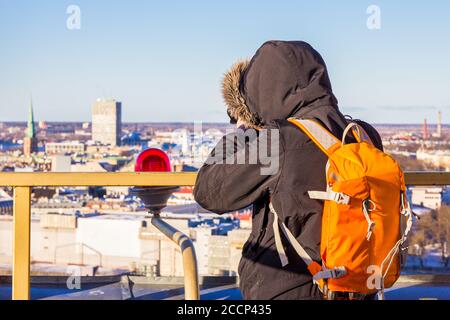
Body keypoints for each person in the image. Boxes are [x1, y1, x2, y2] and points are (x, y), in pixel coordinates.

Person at [194, 41, 383, 300]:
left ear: (264, 89)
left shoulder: (280, 141)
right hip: (358, 285)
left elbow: (209, 191)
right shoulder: (363, 134)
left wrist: (241, 132)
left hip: (292, 288)